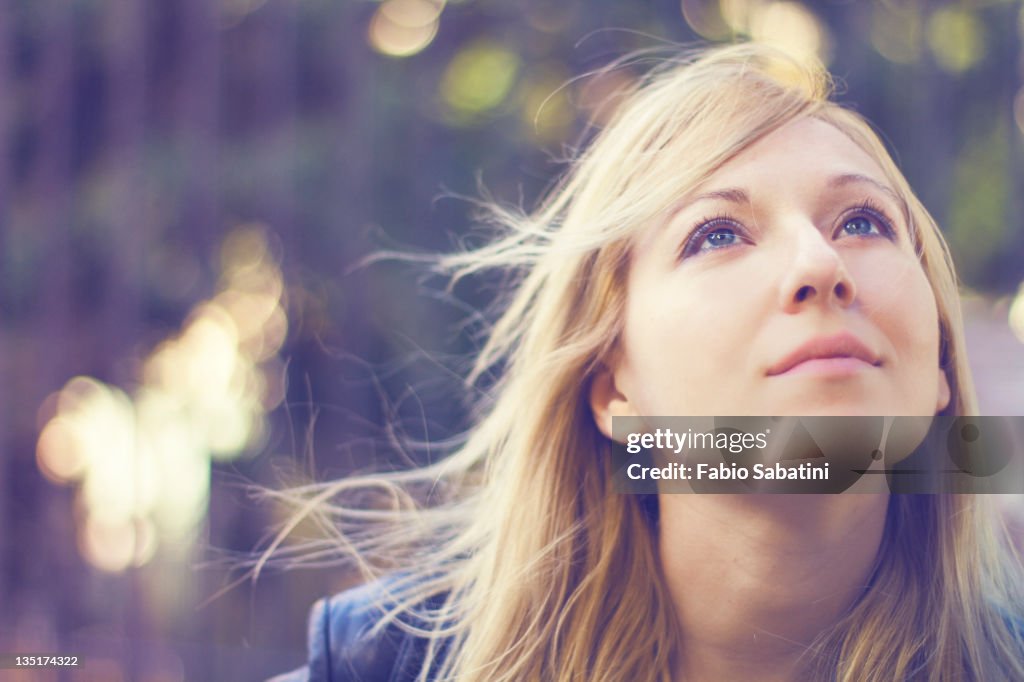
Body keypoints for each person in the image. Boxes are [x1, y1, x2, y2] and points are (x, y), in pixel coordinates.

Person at [268, 42, 1024, 681]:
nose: (819, 262)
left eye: (863, 220)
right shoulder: (396, 664)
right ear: (613, 390)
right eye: (718, 235)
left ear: (939, 373)